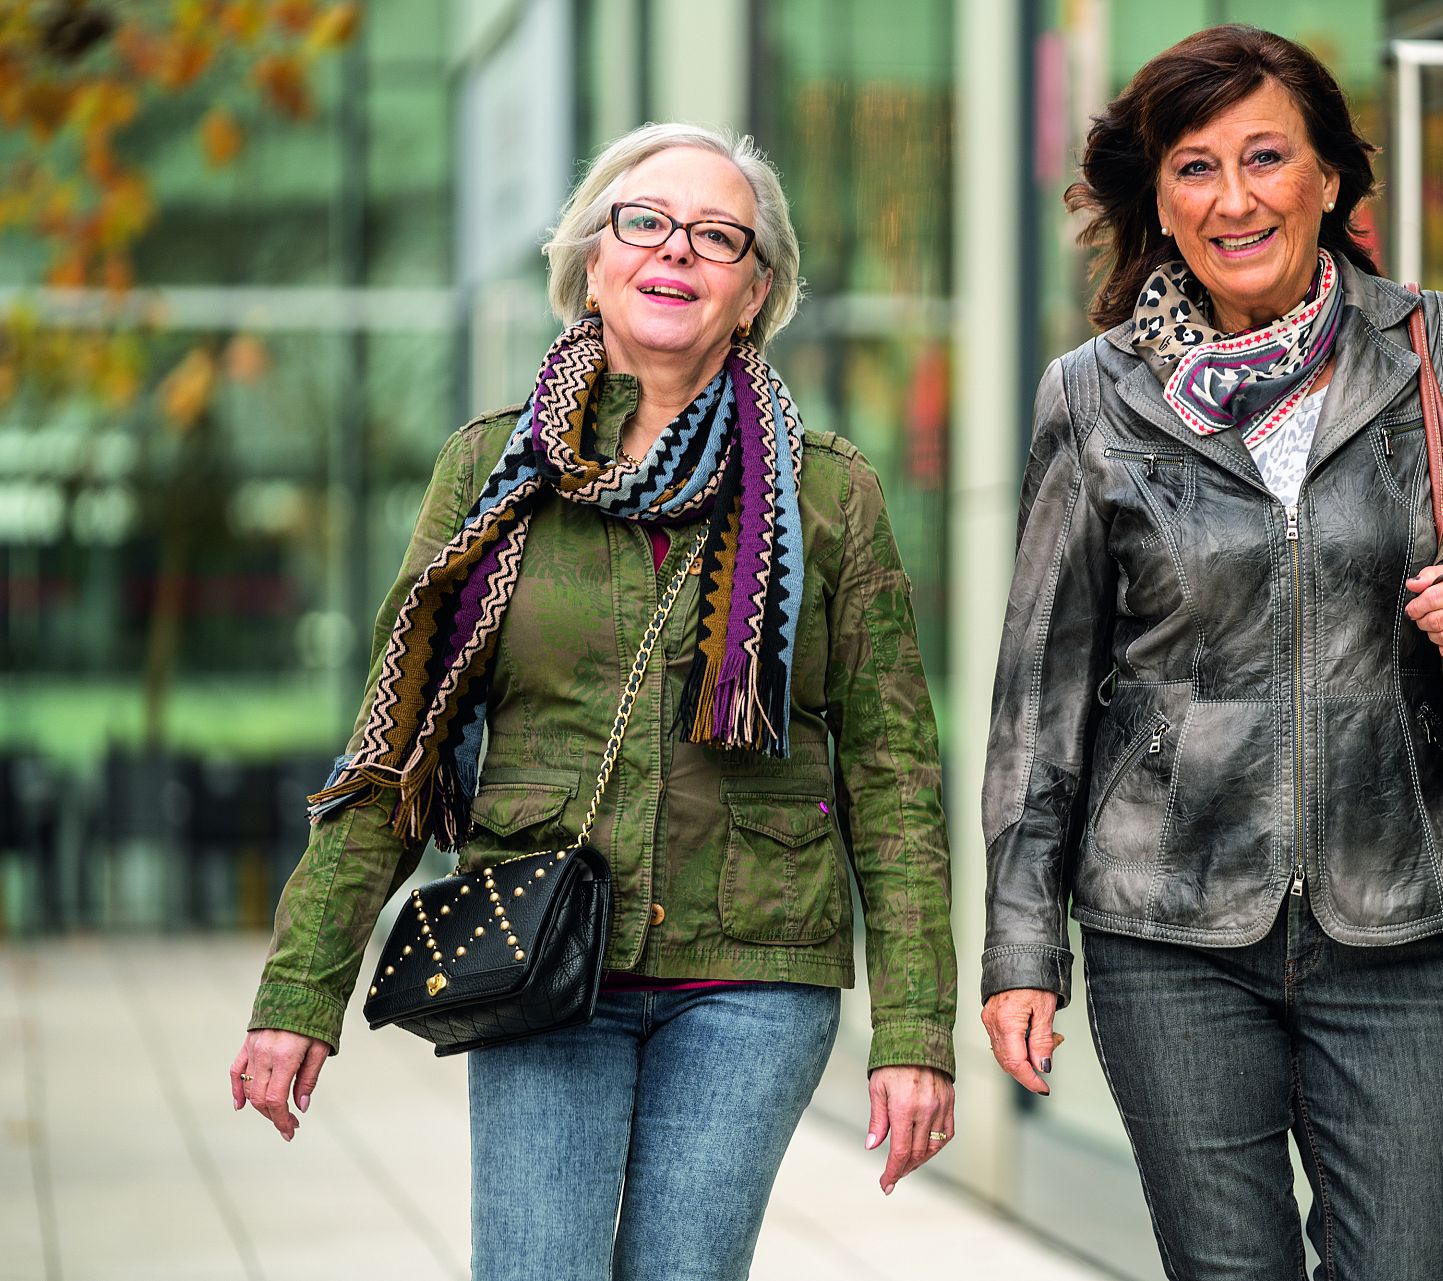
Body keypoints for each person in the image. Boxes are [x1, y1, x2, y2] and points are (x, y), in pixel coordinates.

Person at [230, 122, 957, 1281]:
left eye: (719, 236)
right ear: (593, 256)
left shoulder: (831, 492)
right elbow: (395, 748)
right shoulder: (492, 473)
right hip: (542, 961)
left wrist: (916, 1034)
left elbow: (893, 774)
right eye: (647, 222)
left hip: (756, 976)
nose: (678, 251)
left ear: (755, 288)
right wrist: (300, 991)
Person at [979, 26, 1443, 1281]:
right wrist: (1019, 949)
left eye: (1267, 157)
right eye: (1195, 167)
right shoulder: (1093, 397)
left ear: (1329, 177)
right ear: (1157, 200)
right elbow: (1038, 702)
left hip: (1406, 915)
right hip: (1169, 927)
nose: (1235, 197)